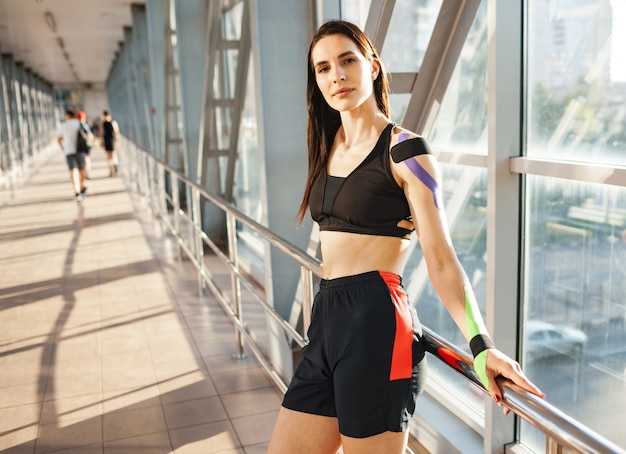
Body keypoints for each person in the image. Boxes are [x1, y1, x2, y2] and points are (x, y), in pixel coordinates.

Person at [267, 20, 545, 454]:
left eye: (347, 61)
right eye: (323, 68)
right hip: (327, 323)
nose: (336, 75)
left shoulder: (406, 151)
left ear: (372, 67)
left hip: (377, 327)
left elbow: (441, 258)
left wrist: (481, 344)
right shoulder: (327, 145)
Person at [56, 108, 87, 201]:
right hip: (80, 150)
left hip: (69, 150)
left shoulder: (64, 126)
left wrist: (62, 147)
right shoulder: (79, 124)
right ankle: (83, 186)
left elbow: (58, 138)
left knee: (72, 171)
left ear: (67, 115)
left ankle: (76, 191)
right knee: (82, 169)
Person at [99, 109, 120, 177]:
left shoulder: (102, 124)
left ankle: (111, 169)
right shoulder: (113, 122)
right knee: (113, 155)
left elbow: (101, 133)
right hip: (112, 140)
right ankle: (115, 165)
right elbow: (116, 132)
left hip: (106, 140)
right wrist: (117, 141)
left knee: (108, 157)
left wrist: (101, 142)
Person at [76, 111, 94, 179]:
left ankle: (83, 173)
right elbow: (90, 135)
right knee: (87, 159)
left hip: (79, 146)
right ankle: (87, 172)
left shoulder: (76, 125)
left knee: (81, 161)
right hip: (87, 145)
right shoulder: (86, 125)